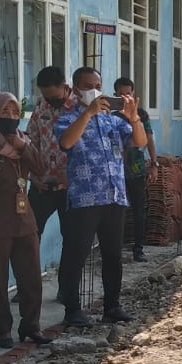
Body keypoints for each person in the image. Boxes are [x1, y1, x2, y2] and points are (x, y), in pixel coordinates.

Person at [54, 65, 148, 327]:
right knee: (77, 254)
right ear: (74, 90)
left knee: (113, 255)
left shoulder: (113, 120)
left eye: (97, 84)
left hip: (114, 196)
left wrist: (134, 118)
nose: (93, 90)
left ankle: (112, 306)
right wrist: (88, 112)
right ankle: (72, 309)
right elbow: (66, 143)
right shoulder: (66, 117)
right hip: (85, 198)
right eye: (86, 86)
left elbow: (138, 143)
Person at [0, 92, 51, 348]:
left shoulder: (23, 141)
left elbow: (40, 168)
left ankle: (31, 326)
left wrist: (23, 147)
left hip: (24, 221)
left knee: (31, 279)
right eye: (5, 112)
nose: (11, 118)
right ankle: (3, 330)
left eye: (16, 113)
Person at [26, 66, 70, 239]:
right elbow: (31, 141)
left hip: (70, 187)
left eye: (55, 97)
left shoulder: (80, 107)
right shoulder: (41, 104)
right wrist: (33, 176)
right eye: (47, 97)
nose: (51, 101)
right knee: (30, 233)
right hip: (42, 184)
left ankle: (68, 267)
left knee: (72, 236)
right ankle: (31, 267)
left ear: (64, 86)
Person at [115, 76, 156, 261]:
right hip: (115, 173)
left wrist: (154, 164)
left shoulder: (141, 114)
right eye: (121, 94)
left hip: (137, 170)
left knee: (139, 211)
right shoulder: (110, 115)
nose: (125, 97)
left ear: (133, 94)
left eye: (128, 93)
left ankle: (138, 250)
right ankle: (115, 249)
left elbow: (148, 139)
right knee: (117, 213)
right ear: (115, 94)